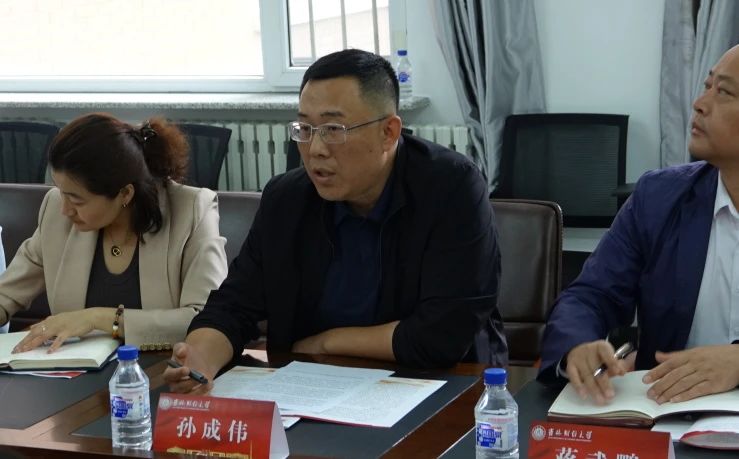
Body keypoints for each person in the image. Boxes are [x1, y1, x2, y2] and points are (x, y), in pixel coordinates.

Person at [164, 49, 507, 392]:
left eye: (333, 129)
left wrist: (328, 342)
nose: (315, 149)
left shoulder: (451, 189)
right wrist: (199, 359)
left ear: (388, 132)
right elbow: (233, 305)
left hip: (438, 385)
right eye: (305, 128)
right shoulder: (286, 199)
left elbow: (441, 335)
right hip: (312, 387)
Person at [538, 44, 739, 406]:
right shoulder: (659, 197)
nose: (699, 103)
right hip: (666, 410)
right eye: (706, 86)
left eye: (723, 92)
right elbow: (591, 295)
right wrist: (578, 345)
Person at [1, 113, 228, 352]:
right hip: (75, 369)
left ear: (125, 194)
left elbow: (208, 320)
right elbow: (7, 293)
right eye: (61, 191)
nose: (65, 210)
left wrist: (99, 319)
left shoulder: (192, 210)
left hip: (165, 365)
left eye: (77, 200)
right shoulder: (56, 211)